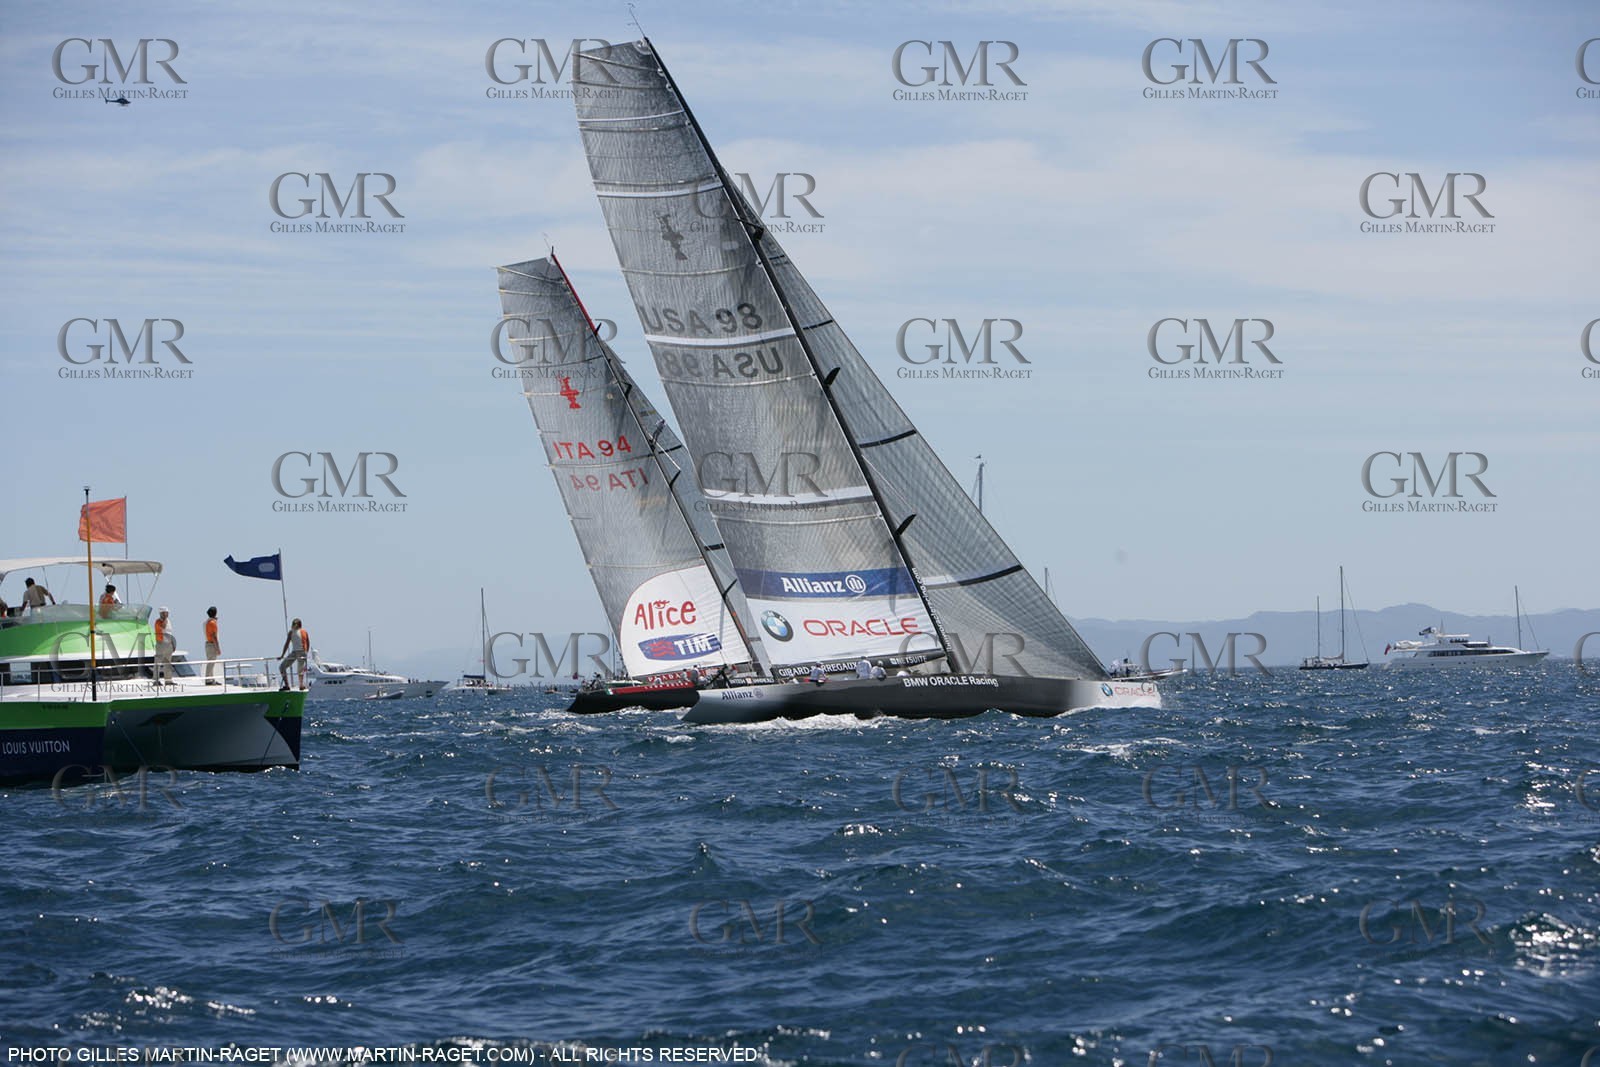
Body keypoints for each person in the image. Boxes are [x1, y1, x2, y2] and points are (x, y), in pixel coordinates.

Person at [279, 617, 310, 690]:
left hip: (302, 651)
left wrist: (306, 652)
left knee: (300, 670)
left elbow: (307, 642)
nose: (294, 626)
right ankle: (287, 685)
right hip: (294, 652)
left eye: (295, 624)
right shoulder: (291, 632)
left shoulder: (304, 632)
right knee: (282, 667)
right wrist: (282, 655)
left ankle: (301, 685)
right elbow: (287, 644)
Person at [153, 607, 175, 685]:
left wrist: (173, 643)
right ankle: (156, 680)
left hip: (169, 644)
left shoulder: (169, 621)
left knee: (168, 662)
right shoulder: (158, 622)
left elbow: (170, 632)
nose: (167, 614)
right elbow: (163, 627)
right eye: (165, 612)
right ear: (161, 613)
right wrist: (165, 619)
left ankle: (168, 680)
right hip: (161, 644)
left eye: (167, 612)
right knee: (158, 662)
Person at [203, 607, 221, 685]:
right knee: (211, 662)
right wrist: (218, 648)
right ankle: (208, 680)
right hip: (211, 644)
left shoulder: (207, 622)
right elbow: (214, 636)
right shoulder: (212, 623)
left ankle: (211, 679)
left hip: (207, 643)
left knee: (211, 662)